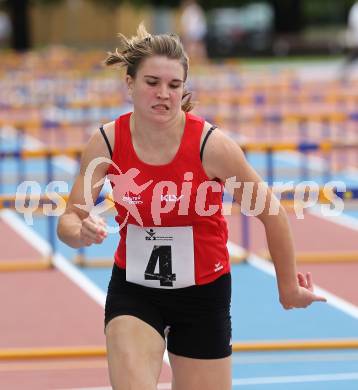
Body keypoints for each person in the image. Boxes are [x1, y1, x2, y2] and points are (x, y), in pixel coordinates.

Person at [57, 24, 327, 390]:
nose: (163, 94)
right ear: (130, 83)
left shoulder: (211, 147)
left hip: (204, 294)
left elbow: (272, 214)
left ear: (184, 88)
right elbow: (69, 219)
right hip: (135, 290)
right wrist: (80, 230)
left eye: (174, 85)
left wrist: (287, 288)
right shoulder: (107, 141)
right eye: (152, 82)